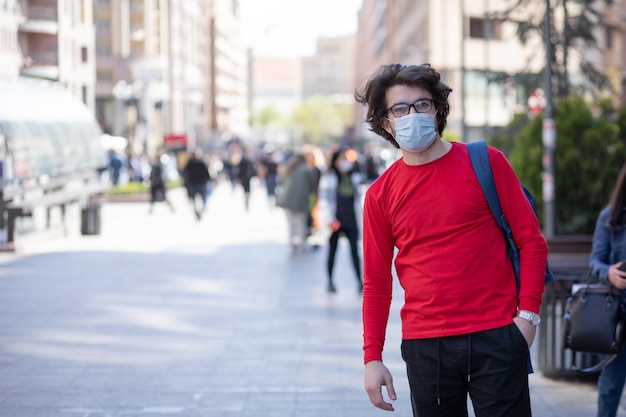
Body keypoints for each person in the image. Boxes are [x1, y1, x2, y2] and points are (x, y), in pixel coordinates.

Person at [355, 63, 549, 416]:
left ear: (437, 109)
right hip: (426, 346)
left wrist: (527, 320)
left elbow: (532, 241)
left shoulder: (487, 162)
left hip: (498, 336)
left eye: (422, 104)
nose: (413, 114)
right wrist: (372, 357)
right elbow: (376, 282)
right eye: (400, 108)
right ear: (385, 122)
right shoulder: (380, 195)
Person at [589, 162, 626, 417]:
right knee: (611, 386)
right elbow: (595, 261)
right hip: (619, 316)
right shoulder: (610, 217)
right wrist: (609, 273)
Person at [318, 147, 364, 294]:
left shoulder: (354, 177)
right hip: (335, 221)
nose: (344, 162)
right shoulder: (329, 178)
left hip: (351, 219)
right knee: (332, 252)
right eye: (341, 159)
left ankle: (359, 281)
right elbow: (324, 201)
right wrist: (330, 219)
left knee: (354, 252)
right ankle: (330, 281)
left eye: (346, 158)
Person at [276, 153, 313, 255]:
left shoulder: (289, 169)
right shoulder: (306, 170)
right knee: (301, 224)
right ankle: (301, 245)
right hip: (300, 201)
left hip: (287, 200)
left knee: (290, 225)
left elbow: (280, 182)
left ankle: (291, 247)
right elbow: (311, 186)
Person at [182, 149, 211, 221]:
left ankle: (199, 211)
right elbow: (185, 173)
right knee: (197, 198)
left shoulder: (199, 163)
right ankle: (198, 211)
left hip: (197, 183)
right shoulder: (192, 163)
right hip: (195, 183)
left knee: (199, 198)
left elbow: (206, 173)